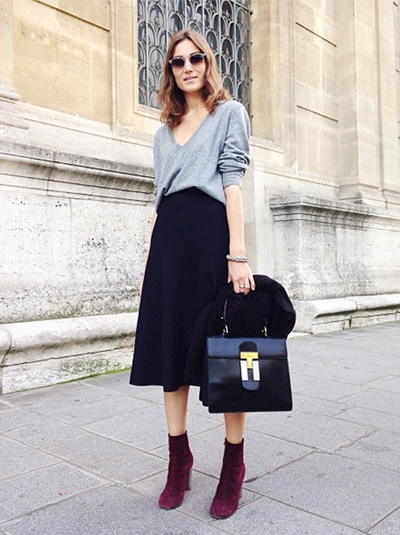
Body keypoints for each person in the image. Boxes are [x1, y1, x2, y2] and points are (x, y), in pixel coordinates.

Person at [129, 28, 254, 519]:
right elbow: (159, 202)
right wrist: (148, 265)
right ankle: (178, 461)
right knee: (170, 352)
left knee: (225, 352)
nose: (187, 67)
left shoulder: (230, 113)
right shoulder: (163, 133)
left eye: (195, 58)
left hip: (210, 244)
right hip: (169, 248)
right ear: (170, 71)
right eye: (177, 61)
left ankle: (232, 465)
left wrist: (237, 255)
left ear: (208, 62)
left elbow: (233, 182)